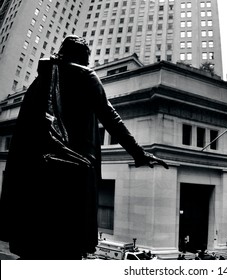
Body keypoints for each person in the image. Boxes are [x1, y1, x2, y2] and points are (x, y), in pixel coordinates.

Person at [0, 35, 168, 260]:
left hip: (36, 178)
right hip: (72, 176)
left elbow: (24, 134)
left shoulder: (40, 81)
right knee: (67, 245)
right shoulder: (85, 76)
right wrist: (139, 153)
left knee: (36, 245)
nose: (88, 63)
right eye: (86, 58)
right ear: (82, 56)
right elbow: (111, 118)